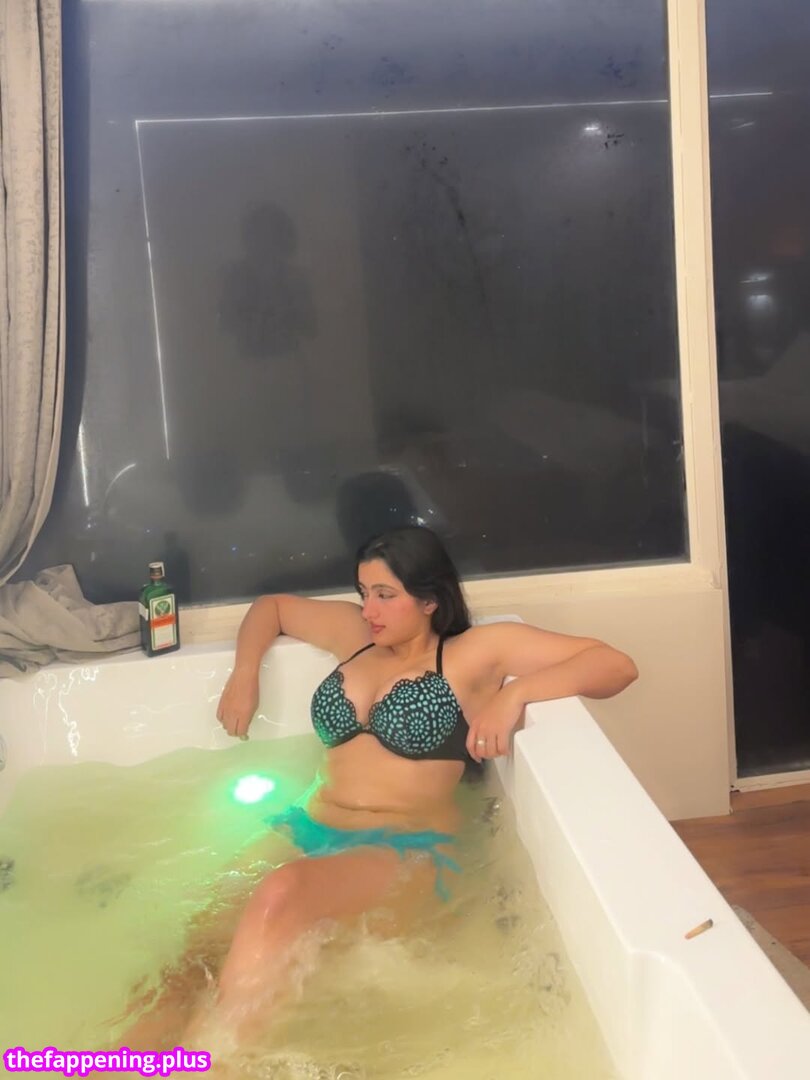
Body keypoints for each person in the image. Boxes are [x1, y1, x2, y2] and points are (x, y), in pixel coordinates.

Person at [122, 525, 637, 1049]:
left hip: (403, 846)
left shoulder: (474, 653)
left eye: (386, 595)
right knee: (190, 959)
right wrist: (245, 673)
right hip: (304, 825)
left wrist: (515, 694)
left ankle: (218, 1061)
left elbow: (614, 665)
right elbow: (270, 608)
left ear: (430, 600)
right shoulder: (356, 635)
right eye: (364, 592)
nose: (369, 609)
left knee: (280, 893)